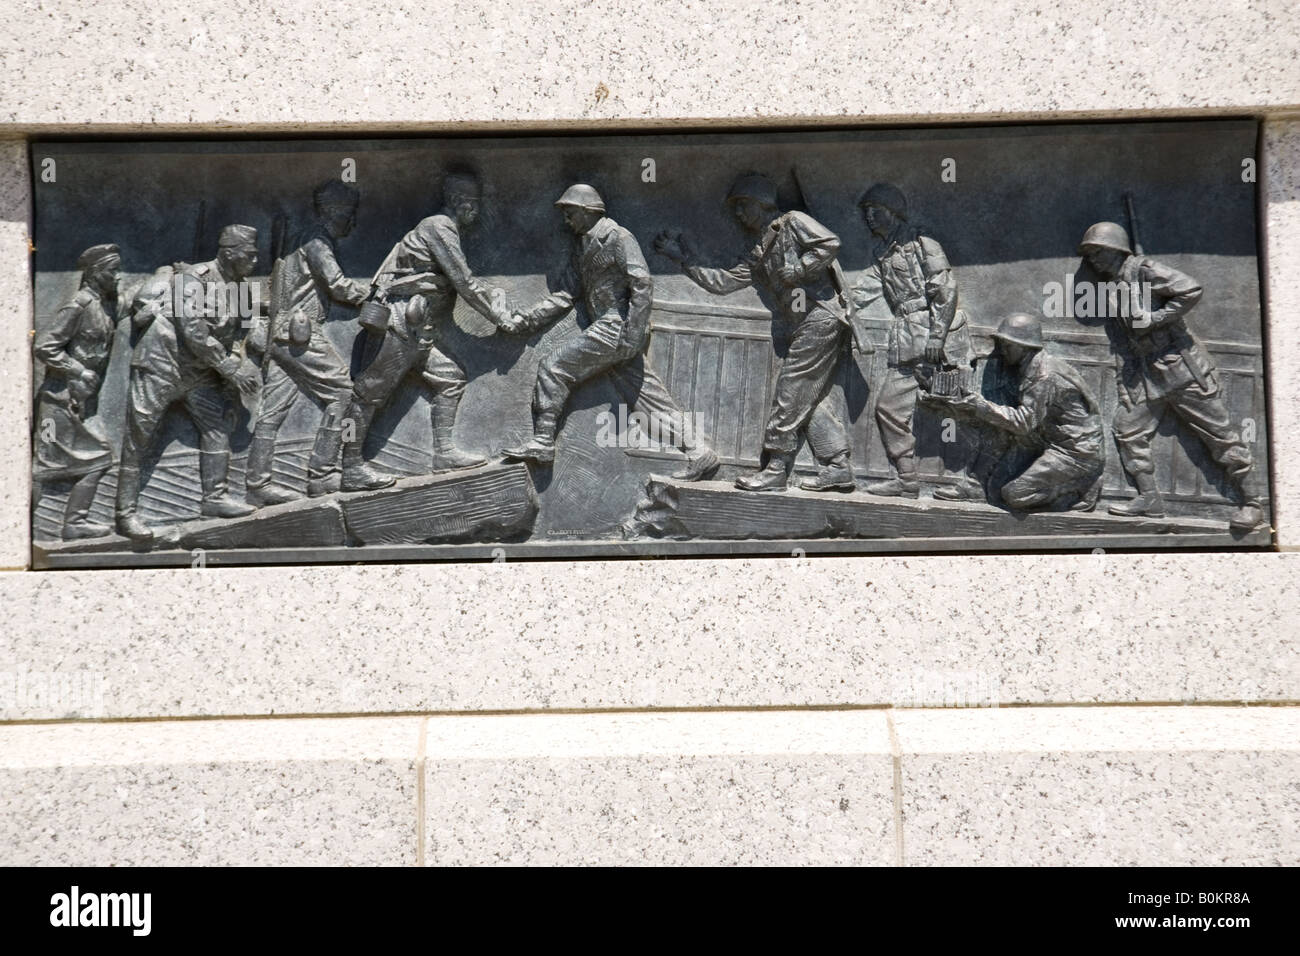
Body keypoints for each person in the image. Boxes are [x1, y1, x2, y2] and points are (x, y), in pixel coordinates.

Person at [501, 183, 718, 481]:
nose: (567, 220)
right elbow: (566, 293)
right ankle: (699, 451)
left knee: (553, 367)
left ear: (589, 211)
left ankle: (543, 442)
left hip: (616, 326)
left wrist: (633, 333)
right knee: (648, 400)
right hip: (611, 329)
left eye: (570, 213)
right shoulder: (584, 244)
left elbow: (642, 283)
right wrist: (528, 319)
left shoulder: (618, 236)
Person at [654, 173, 853, 492]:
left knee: (791, 388)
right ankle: (837, 465)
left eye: (743, 206)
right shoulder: (759, 249)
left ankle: (776, 468)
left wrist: (800, 270)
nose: (738, 214)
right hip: (801, 324)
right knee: (807, 395)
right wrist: (684, 261)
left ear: (762, 204)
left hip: (821, 315)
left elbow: (830, 243)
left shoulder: (793, 222)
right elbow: (723, 283)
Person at [1077, 221, 1263, 531]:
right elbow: (1126, 342)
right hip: (1149, 376)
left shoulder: (1145, 270)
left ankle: (1254, 502)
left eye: (1097, 253)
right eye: (1089, 255)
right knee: (1127, 428)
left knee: (1220, 437)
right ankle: (1150, 500)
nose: (1092, 261)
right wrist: (1126, 382)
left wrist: (1155, 319)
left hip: (1182, 371)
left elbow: (1190, 289)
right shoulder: (1116, 286)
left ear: (1115, 251)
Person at [343, 172, 509, 489]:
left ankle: (444, 453)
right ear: (460, 202)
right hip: (399, 323)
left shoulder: (442, 228)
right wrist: (500, 318)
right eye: (473, 203)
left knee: (450, 378)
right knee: (368, 393)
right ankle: (349, 467)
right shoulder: (439, 225)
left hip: (419, 330)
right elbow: (464, 282)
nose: (476, 210)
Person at [115, 225, 262, 543]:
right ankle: (125, 515)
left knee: (217, 427)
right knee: (138, 436)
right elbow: (191, 328)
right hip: (161, 364)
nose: (255, 260)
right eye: (249, 255)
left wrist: (233, 366)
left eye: (255, 254)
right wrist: (225, 366)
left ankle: (214, 499)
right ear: (228, 253)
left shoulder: (243, 288)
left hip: (200, 373)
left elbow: (242, 334)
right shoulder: (192, 278)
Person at [245, 180, 369, 503]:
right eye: (349, 214)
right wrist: (372, 293)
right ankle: (322, 474)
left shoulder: (300, 240)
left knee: (271, 414)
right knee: (343, 391)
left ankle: (257, 485)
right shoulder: (317, 242)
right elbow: (338, 286)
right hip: (300, 335)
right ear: (333, 212)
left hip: (279, 336)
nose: (353, 223)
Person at [855, 182, 979, 500]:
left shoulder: (924, 244)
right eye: (866, 211)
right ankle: (907, 479)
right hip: (908, 340)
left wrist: (937, 337)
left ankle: (977, 481)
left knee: (958, 408)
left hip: (940, 342)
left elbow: (945, 290)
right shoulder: (881, 252)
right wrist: (840, 303)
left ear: (894, 213)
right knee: (888, 408)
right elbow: (867, 288)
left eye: (876, 210)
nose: (869, 217)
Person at [926, 313, 1104, 512]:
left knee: (1014, 495)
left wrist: (980, 406)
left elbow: (1023, 423)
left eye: (1008, 345)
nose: (1002, 350)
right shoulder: (1030, 366)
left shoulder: (1045, 375)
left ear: (1025, 347)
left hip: (1076, 453)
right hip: (1048, 438)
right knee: (997, 439)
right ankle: (975, 488)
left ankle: (1080, 487)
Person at [32, 244, 123, 539]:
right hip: (57, 402)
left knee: (92, 459)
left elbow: (127, 304)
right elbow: (45, 347)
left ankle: (73, 523)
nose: (118, 276)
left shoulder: (105, 305)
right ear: (96, 274)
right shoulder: (78, 305)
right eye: (113, 271)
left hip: (80, 402)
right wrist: (79, 370)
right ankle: (18, 527)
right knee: (45, 466)